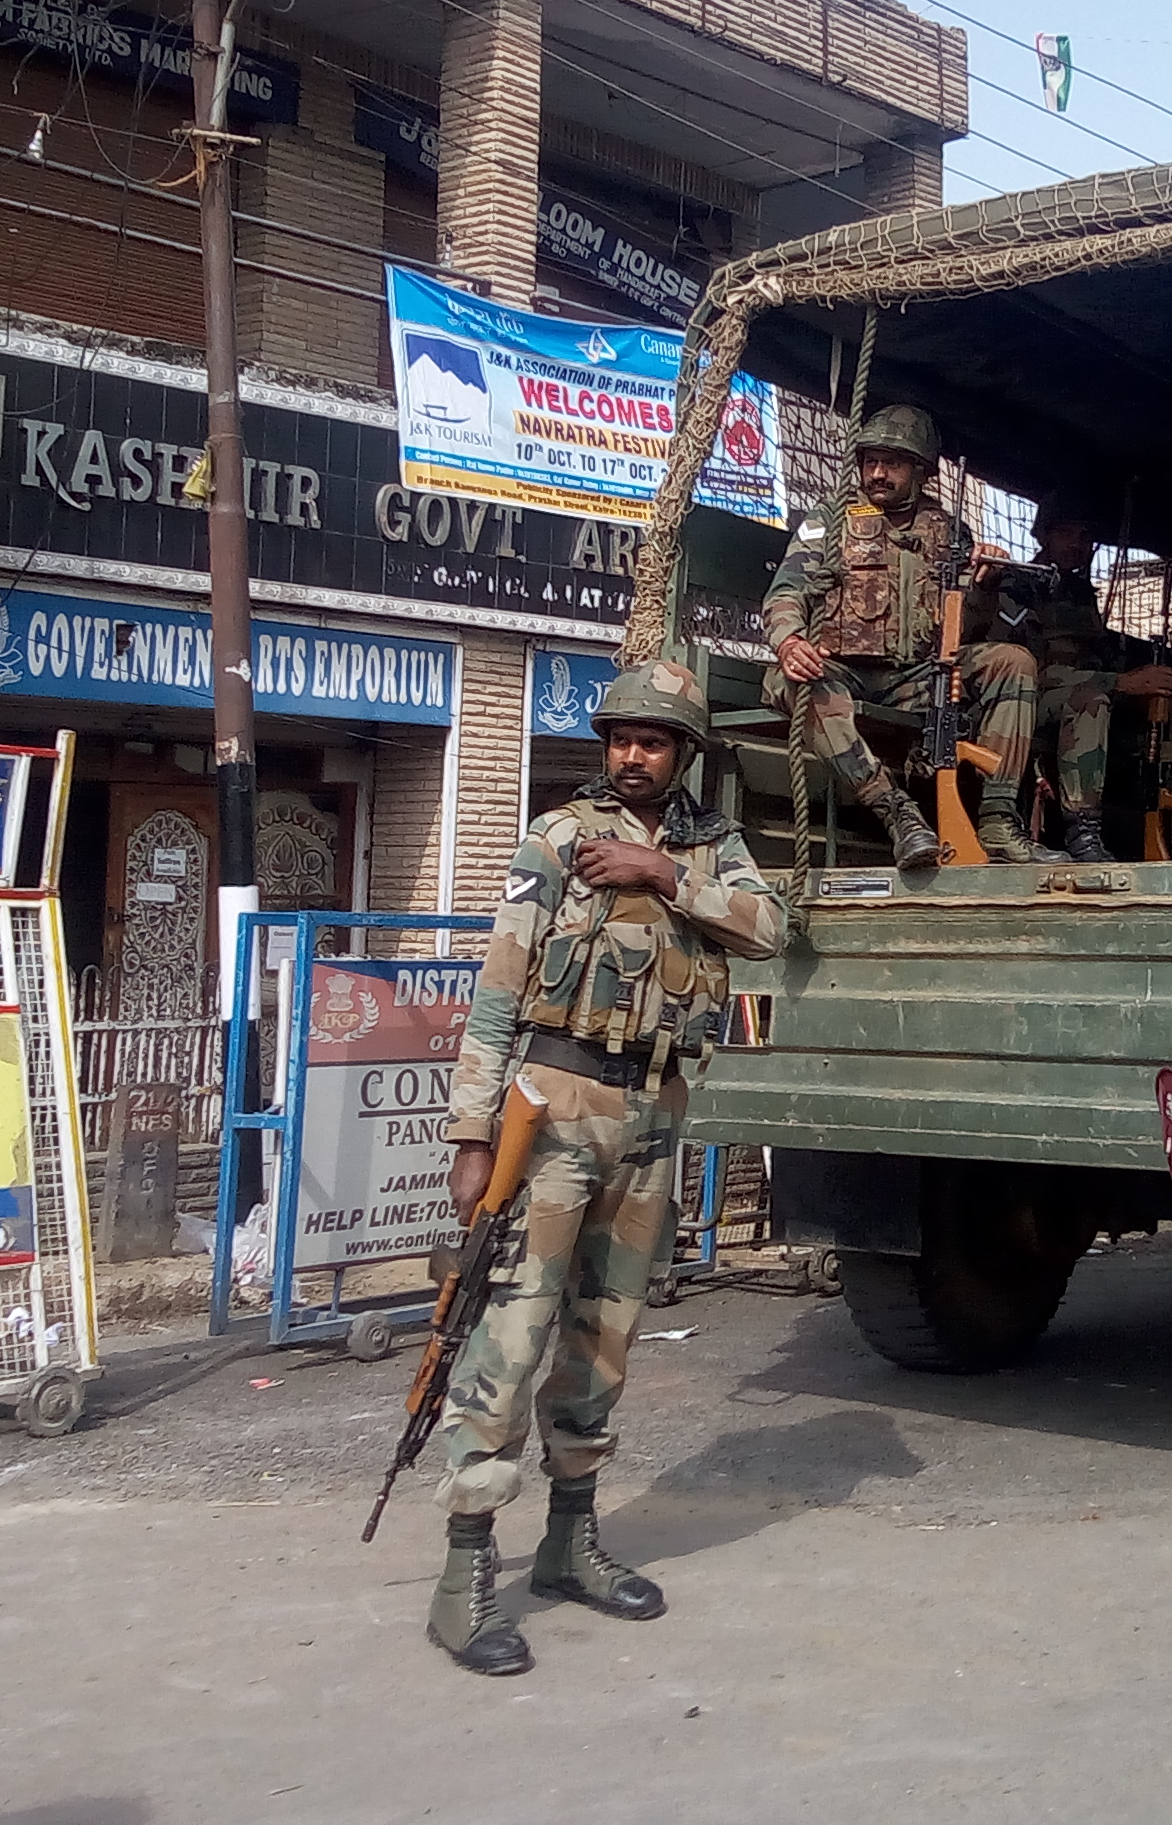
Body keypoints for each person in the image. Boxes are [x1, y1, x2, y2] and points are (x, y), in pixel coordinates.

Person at [426, 660, 788, 1676]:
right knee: (510, 1335)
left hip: (652, 1111)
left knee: (605, 1339)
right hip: (553, 1105)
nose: (634, 755)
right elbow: (498, 990)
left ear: (683, 754)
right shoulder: (555, 838)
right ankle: (463, 1577)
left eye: (654, 741)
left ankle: (568, 1543)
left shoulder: (712, 846)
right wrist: (469, 1134)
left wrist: (664, 875)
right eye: (622, 738)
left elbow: (771, 931)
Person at [761, 405, 1059, 867]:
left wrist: (986, 584)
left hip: (918, 676)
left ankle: (998, 820)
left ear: (921, 471)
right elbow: (786, 592)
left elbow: (971, 628)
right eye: (871, 461)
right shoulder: (830, 519)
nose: (877, 473)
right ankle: (898, 814)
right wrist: (789, 642)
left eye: (892, 463)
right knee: (794, 683)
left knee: (1013, 661)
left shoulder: (948, 532)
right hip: (839, 671)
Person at [965, 492, 1172, 861]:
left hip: (1064, 706)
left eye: (1084, 536)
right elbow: (1026, 669)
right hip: (1012, 707)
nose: (1076, 544)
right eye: (1065, 533)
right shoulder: (1017, 584)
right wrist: (1118, 683)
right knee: (1091, 699)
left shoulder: (1080, 595)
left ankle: (1085, 834)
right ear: (1043, 536)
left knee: (1095, 700)